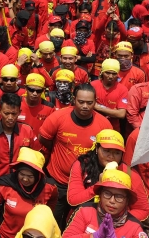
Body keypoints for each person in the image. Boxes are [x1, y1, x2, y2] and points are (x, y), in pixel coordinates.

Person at [38, 83, 113, 229]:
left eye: (89, 103)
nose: (85, 106)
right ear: (73, 99)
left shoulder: (104, 124)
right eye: (81, 102)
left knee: (78, 225)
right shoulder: (58, 117)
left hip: (86, 185)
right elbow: (44, 138)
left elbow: (109, 151)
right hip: (58, 181)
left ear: (95, 102)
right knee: (52, 222)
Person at [67, 129, 149, 221]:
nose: (111, 156)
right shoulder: (82, 165)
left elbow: (143, 209)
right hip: (83, 219)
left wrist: (118, 221)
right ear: (96, 148)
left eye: (117, 153)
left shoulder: (129, 173)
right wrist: (99, 184)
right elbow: (73, 200)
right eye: (107, 151)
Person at [0, 148, 58, 238]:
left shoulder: (50, 188)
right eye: (22, 174)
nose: (25, 179)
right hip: (7, 235)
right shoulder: (4, 186)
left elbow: (51, 207)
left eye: (30, 176)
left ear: (38, 176)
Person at [63, 164, 146, 237]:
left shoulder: (135, 227)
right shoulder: (84, 211)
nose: (112, 201)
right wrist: (93, 236)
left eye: (119, 196)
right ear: (100, 194)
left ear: (127, 200)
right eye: (107, 194)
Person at [0, 93, 36, 182]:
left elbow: (34, 159)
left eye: (14, 114)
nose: (10, 117)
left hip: (19, 183)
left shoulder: (27, 131)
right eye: (6, 113)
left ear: (19, 112)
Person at [91, 59, 129, 135]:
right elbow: (88, 106)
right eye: (107, 73)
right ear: (102, 72)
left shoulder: (122, 89)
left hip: (112, 129)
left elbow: (121, 114)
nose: (111, 76)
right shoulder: (93, 85)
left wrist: (97, 107)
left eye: (114, 74)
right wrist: (112, 111)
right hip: (93, 126)